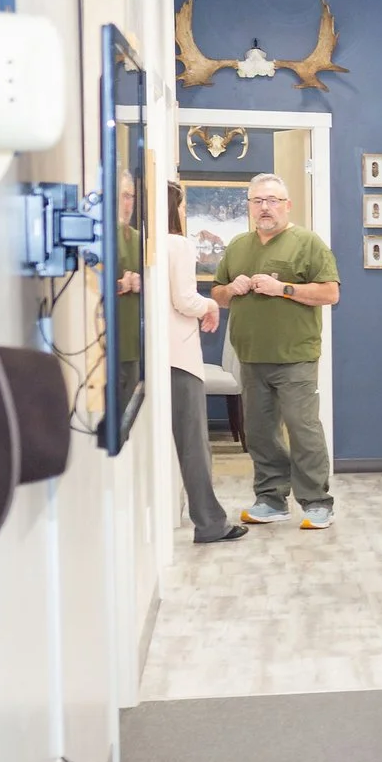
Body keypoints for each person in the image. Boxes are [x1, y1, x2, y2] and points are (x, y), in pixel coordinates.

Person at [212, 174, 340, 529]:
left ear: (287, 205)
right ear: (249, 206)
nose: (265, 207)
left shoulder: (308, 243)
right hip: (250, 355)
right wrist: (231, 289)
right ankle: (270, 499)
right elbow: (217, 295)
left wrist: (283, 288)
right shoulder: (238, 246)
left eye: (272, 200)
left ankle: (317, 502)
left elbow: (330, 293)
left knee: (303, 428)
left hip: (295, 355)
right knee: (260, 431)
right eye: (257, 201)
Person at [163, 184, 244, 544]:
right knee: (194, 442)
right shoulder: (177, 244)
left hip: (148, 356)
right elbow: (183, 299)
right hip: (178, 357)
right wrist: (209, 306)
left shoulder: (140, 243)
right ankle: (210, 523)